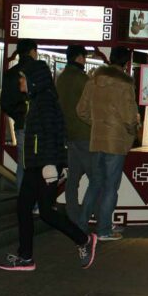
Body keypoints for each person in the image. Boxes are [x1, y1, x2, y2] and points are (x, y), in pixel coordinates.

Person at [0, 59, 96, 272]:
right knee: (28, 207)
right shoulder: (38, 100)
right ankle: (26, 257)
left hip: (44, 166)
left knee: (43, 211)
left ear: (35, 80)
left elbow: (54, 134)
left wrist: (52, 165)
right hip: (37, 164)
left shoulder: (46, 102)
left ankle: (83, 240)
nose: (20, 82)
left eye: (23, 78)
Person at [77, 47, 140, 242]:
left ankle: (81, 226)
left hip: (96, 140)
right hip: (116, 142)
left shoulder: (93, 81)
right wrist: (133, 129)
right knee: (111, 187)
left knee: (94, 184)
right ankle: (104, 229)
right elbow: (130, 118)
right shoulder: (124, 85)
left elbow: (81, 111)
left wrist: (97, 124)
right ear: (126, 63)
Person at [56, 44, 94, 231]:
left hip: (69, 135)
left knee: (73, 180)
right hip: (85, 134)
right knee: (96, 179)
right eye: (85, 57)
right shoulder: (83, 80)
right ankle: (83, 220)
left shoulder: (61, 78)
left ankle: (73, 216)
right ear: (79, 57)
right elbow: (91, 107)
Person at [0, 38, 38, 189]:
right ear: (32, 51)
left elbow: (5, 103)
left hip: (21, 124)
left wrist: (18, 115)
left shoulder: (10, 73)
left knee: (23, 164)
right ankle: (33, 204)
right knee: (36, 166)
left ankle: (22, 203)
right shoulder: (38, 70)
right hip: (38, 126)